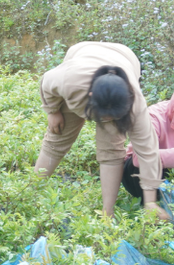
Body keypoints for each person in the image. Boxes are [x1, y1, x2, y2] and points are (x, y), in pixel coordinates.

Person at [33, 41, 166, 219]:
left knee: (112, 150)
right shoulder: (70, 82)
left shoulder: (135, 105)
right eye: (104, 116)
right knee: (58, 137)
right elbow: (46, 82)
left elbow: (148, 152)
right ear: (90, 97)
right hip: (83, 53)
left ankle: (107, 213)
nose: (106, 121)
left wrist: (150, 202)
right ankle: (31, 192)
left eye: (113, 116)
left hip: (126, 57)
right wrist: (52, 110)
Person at [122, 86, 174, 199]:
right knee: (141, 165)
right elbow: (140, 158)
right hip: (141, 170)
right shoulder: (153, 115)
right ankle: (153, 203)